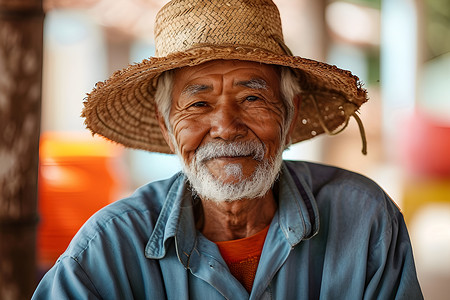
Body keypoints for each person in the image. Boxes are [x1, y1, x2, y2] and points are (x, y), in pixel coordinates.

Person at [33, 0, 423, 299]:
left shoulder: (364, 221)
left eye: (252, 98)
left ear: (290, 114)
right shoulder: (109, 247)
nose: (226, 127)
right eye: (199, 104)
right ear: (167, 127)